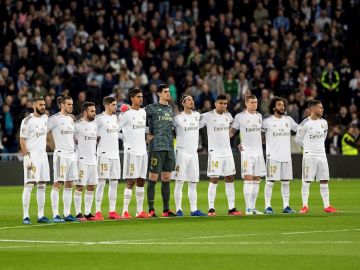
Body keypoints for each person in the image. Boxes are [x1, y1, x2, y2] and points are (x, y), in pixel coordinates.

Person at [200, 94, 242, 216]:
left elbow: (233, 129)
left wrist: (235, 139)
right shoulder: (207, 116)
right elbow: (195, 125)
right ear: (215, 104)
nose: (223, 105)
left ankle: (232, 208)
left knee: (230, 178)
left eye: (225, 103)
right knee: (214, 179)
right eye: (221, 103)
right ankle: (211, 208)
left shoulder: (228, 116)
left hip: (227, 152)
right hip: (215, 153)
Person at [295, 100, 337, 213]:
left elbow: (324, 136)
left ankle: (327, 206)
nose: (322, 109)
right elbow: (298, 139)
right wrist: (308, 147)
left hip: (322, 155)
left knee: (324, 180)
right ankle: (304, 205)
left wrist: (317, 147)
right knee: (307, 180)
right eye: (320, 107)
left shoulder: (324, 123)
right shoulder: (305, 123)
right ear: (312, 109)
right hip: (309, 155)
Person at [262, 97, 298, 214]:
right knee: (270, 182)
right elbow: (256, 135)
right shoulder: (267, 122)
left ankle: (286, 206)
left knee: (286, 182)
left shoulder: (289, 120)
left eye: (283, 105)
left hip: (286, 156)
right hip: (273, 156)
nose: (282, 107)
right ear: (273, 107)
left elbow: (300, 129)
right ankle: (268, 206)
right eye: (279, 105)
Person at [230, 95, 266, 215]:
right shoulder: (240, 117)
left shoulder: (259, 116)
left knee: (257, 179)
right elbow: (232, 132)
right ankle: (248, 208)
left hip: (259, 152)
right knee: (248, 179)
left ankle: (254, 207)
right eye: (252, 102)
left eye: (256, 102)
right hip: (247, 152)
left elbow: (261, 133)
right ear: (246, 103)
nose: (254, 104)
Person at [145, 84, 177, 217]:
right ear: (159, 94)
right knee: (153, 177)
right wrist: (146, 134)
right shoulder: (151, 108)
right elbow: (140, 120)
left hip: (169, 148)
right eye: (165, 92)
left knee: (167, 178)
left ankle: (166, 209)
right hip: (156, 147)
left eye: (168, 92)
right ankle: (151, 209)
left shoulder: (171, 109)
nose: (168, 94)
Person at [118, 88, 150, 218]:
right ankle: (125, 211)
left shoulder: (143, 112)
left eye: (141, 96)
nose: (140, 99)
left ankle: (139, 211)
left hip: (143, 151)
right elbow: (116, 129)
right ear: (132, 98)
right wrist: (126, 139)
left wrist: (148, 135)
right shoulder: (126, 114)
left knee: (141, 180)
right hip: (131, 151)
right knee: (131, 181)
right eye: (138, 97)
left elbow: (143, 129)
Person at [173, 94, 207, 217]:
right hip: (182, 153)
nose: (191, 101)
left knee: (193, 182)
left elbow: (209, 119)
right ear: (183, 103)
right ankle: (178, 209)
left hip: (194, 153)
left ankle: (194, 209)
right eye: (188, 100)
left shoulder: (197, 116)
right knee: (180, 181)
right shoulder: (177, 118)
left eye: (192, 99)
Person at [20, 97, 50, 224]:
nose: (43, 106)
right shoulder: (27, 121)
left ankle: (40, 215)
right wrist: (26, 157)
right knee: (29, 184)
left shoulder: (45, 118)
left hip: (43, 155)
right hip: (32, 155)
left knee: (42, 184)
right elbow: (22, 139)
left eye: (44, 104)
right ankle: (25, 216)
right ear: (34, 106)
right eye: (40, 105)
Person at [48, 95, 78, 222]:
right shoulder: (54, 119)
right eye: (69, 104)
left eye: (72, 104)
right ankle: (55, 214)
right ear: (62, 105)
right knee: (58, 183)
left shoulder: (71, 119)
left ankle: (67, 213)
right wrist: (50, 144)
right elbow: (44, 131)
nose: (71, 106)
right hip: (61, 154)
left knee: (69, 183)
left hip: (72, 154)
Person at [94, 96, 122, 220]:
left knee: (114, 183)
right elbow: (91, 130)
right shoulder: (99, 119)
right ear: (107, 106)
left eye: (116, 105)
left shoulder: (115, 118)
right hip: (103, 154)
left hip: (115, 155)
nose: (115, 107)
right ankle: (97, 211)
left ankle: (112, 211)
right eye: (113, 105)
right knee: (101, 183)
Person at [73, 102, 101, 221]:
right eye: (91, 111)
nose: (94, 113)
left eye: (94, 111)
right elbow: (71, 138)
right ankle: (78, 213)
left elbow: (97, 138)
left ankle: (88, 213)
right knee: (80, 186)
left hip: (93, 160)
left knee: (91, 186)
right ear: (85, 112)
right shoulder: (77, 125)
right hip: (82, 160)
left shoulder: (94, 125)